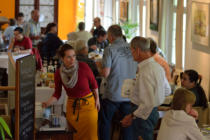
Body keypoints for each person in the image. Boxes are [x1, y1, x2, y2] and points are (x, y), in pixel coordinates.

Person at [42, 44, 100, 140]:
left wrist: (97, 99)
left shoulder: (83, 67)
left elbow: (94, 85)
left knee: (91, 136)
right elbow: (57, 93)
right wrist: (47, 103)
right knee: (73, 136)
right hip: (72, 107)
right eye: (69, 57)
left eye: (74, 56)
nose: (72, 59)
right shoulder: (58, 73)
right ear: (62, 58)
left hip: (88, 106)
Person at [121, 36, 170, 140]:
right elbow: (167, 90)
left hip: (143, 115)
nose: (131, 53)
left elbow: (147, 103)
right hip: (152, 112)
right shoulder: (158, 67)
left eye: (132, 50)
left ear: (138, 50)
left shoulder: (145, 71)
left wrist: (131, 115)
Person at [98, 25, 137, 140]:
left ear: (110, 36)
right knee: (127, 123)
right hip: (129, 92)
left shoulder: (109, 49)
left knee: (105, 122)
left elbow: (105, 73)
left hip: (113, 92)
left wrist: (99, 67)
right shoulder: (132, 48)